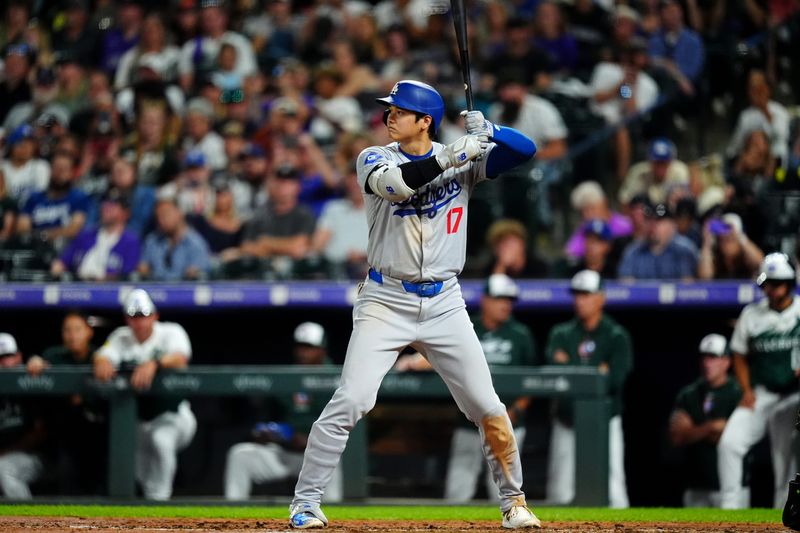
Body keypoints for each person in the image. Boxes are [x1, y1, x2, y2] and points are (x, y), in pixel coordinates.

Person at [288, 80, 540, 529]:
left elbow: (526, 150)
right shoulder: (375, 157)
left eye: (400, 111)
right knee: (352, 399)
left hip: (445, 301)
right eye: (390, 110)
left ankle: (514, 502)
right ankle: (305, 502)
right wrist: (455, 153)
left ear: (425, 120)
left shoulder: (463, 157)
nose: (390, 116)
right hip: (386, 300)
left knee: (488, 406)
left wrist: (493, 130)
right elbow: (401, 186)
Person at [93, 289, 197, 501]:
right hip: (139, 418)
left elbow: (180, 358)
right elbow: (102, 355)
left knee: (161, 440)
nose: (139, 322)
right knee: (135, 457)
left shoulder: (171, 331)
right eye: (134, 317)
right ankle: (151, 504)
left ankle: (161, 500)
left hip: (173, 415)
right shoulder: (120, 337)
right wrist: (101, 362)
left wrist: (154, 363)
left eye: (144, 316)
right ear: (126, 319)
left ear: (155, 316)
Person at [443, 274, 537, 502]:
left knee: (503, 487)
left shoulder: (520, 334)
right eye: (500, 298)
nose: (506, 304)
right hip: (469, 420)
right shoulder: (466, 327)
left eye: (509, 299)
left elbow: (532, 381)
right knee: (459, 483)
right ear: (485, 300)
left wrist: (515, 412)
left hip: (508, 419)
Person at [224, 322, 343, 502]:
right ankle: (230, 518)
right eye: (300, 347)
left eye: (309, 348)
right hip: (283, 452)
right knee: (240, 455)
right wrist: (267, 432)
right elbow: (265, 420)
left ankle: (336, 519)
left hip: (319, 454)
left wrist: (312, 439)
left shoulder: (335, 378)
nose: (303, 352)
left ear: (322, 350)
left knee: (331, 462)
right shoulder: (287, 377)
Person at [717, 253, 800, 509]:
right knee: (730, 442)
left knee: (785, 459)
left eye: (777, 284)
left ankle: (783, 516)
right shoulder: (751, 314)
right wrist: (746, 390)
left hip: (793, 395)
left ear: (789, 282)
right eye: (767, 285)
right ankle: (730, 509)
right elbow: (739, 354)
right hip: (762, 392)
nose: (771, 290)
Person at [545, 270, 632, 508]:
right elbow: (556, 376)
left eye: (586, 294)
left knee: (614, 486)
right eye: (577, 295)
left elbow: (614, 381)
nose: (580, 300)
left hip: (605, 421)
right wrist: (595, 370)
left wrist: (571, 365)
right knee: (559, 489)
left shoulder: (616, 335)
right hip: (567, 420)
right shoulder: (561, 333)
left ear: (601, 298)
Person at [26, 312, 107, 495]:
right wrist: (35, 362)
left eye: (77, 329)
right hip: (65, 433)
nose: (72, 335)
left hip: (97, 431)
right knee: (68, 482)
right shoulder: (54, 355)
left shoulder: (100, 356)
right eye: (67, 330)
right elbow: (38, 361)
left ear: (89, 332)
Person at [669, 334, 741, 508]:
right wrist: (711, 427)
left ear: (727, 361)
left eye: (714, 357)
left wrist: (694, 430)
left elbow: (734, 438)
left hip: (731, 486)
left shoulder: (738, 393)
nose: (707, 363)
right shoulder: (689, 394)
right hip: (695, 485)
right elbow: (677, 436)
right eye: (705, 357)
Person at [51, 188, 141, 281]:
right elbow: (61, 263)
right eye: (105, 204)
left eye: (113, 205)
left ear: (125, 213)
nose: (106, 208)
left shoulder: (131, 241)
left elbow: (127, 277)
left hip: (110, 292)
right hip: (78, 287)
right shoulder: (86, 236)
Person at [0, 333, 46, 499]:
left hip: (34, 457)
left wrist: (6, 452)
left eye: (8, 356)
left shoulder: (29, 381)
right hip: (5, 455)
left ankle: (26, 521)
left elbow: (41, 432)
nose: (4, 363)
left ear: (18, 357)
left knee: (3, 468)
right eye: (0, 358)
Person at [617, 202, 698, 280]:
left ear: (671, 224)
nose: (652, 225)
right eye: (648, 220)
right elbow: (627, 287)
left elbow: (688, 288)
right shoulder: (634, 251)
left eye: (658, 221)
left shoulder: (684, 250)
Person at [139, 195, 211, 281]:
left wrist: (193, 273)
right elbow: (142, 269)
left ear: (179, 212)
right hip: (155, 291)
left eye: (165, 214)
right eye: (158, 217)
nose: (161, 220)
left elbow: (198, 276)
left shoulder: (196, 244)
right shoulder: (152, 242)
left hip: (183, 292)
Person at [697, 213, 764, 280]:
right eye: (723, 240)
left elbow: (761, 264)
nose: (727, 244)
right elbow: (705, 277)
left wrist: (741, 237)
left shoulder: (746, 258)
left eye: (731, 240)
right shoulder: (715, 258)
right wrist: (707, 243)